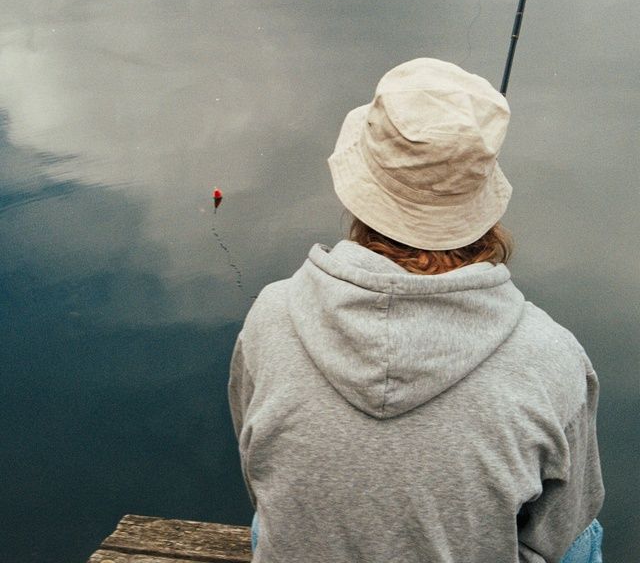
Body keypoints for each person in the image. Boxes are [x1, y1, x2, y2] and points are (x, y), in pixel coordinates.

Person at [228, 58, 605, 562]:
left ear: (362, 188)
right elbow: (556, 534)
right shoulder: (552, 359)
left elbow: (257, 474)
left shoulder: (271, 317)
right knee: (584, 532)